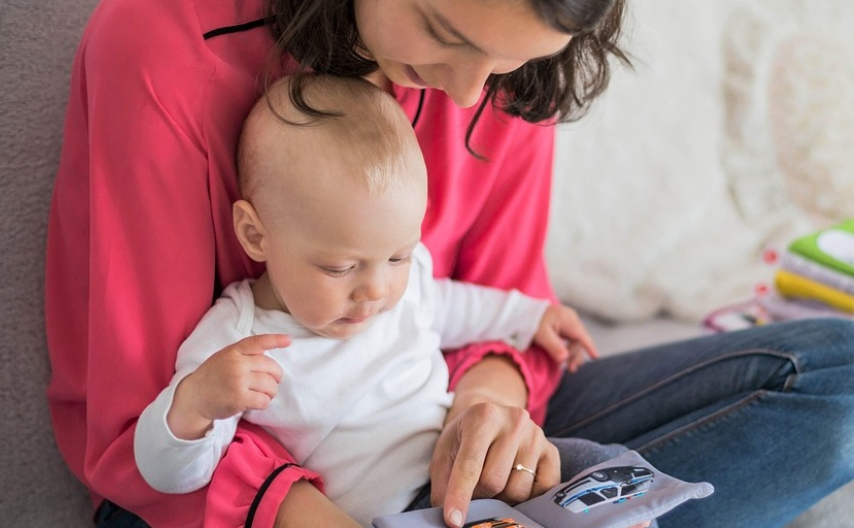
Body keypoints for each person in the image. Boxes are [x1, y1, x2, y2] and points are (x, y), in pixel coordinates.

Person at [44, 0, 854, 526]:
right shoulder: (163, 46)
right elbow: (142, 429)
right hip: (221, 487)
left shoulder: (505, 62)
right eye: (442, 32)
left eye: (505, 64)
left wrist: (487, 412)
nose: (470, 95)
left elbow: (499, 299)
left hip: (432, 440)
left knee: (840, 382)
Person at [132, 74, 600, 527]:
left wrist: (531, 316)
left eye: (399, 255)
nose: (377, 291)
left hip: (464, 474)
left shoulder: (400, 284)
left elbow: (455, 306)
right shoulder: (239, 339)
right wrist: (196, 404)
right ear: (256, 235)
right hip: (394, 514)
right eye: (340, 268)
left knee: (594, 465)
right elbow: (168, 476)